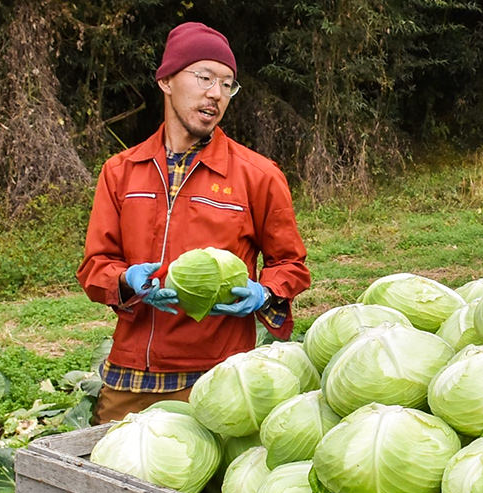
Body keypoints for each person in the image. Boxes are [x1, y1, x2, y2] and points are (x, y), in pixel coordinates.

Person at [76, 22, 311, 424]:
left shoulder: (258, 174)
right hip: (133, 374)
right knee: (109, 476)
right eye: (204, 77)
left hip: (219, 376)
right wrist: (125, 280)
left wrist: (264, 292)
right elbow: (95, 266)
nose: (216, 94)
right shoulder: (120, 171)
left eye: (227, 84)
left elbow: (291, 265)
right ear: (166, 80)